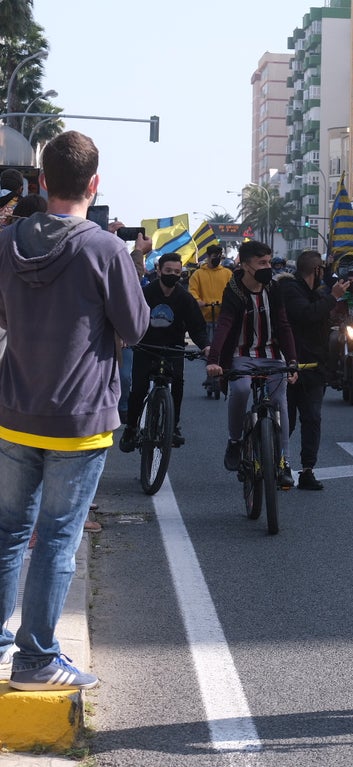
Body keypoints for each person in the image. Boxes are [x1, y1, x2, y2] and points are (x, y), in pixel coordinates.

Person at [0, 130, 149, 690]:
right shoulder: (104, 248)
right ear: (94, 184)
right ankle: (36, 660)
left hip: (14, 408)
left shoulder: (6, 241)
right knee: (58, 537)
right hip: (79, 416)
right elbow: (134, 329)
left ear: (41, 182)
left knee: (8, 530)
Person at [205, 241, 299, 489]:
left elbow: (284, 324)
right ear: (246, 265)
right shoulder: (233, 290)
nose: (268, 267)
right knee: (242, 389)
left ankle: (283, 462)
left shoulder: (274, 288)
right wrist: (214, 361)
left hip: (272, 354)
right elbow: (224, 324)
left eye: (269, 262)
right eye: (262, 263)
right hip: (240, 355)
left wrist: (292, 361)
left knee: (280, 402)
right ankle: (234, 441)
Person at [119, 252, 211, 452]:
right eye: (168, 270)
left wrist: (205, 346)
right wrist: (126, 337)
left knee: (178, 383)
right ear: (159, 271)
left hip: (173, 348)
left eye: (177, 272)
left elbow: (197, 327)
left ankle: (174, 425)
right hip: (146, 347)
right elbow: (130, 316)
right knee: (139, 389)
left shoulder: (185, 298)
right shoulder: (145, 293)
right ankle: (131, 427)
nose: (172, 274)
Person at [281, 249, 347, 491]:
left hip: (314, 368)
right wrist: (333, 297)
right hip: (290, 367)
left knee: (312, 419)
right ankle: (280, 464)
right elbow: (305, 315)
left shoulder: (316, 293)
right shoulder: (290, 289)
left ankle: (307, 469)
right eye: (322, 270)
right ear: (316, 270)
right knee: (286, 421)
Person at [188, 244, 232, 343]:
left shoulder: (227, 273)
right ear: (208, 257)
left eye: (219, 257)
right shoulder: (198, 274)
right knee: (207, 345)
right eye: (214, 256)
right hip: (205, 317)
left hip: (223, 316)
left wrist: (228, 303)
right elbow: (192, 290)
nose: (217, 259)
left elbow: (233, 290)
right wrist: (198, 301)